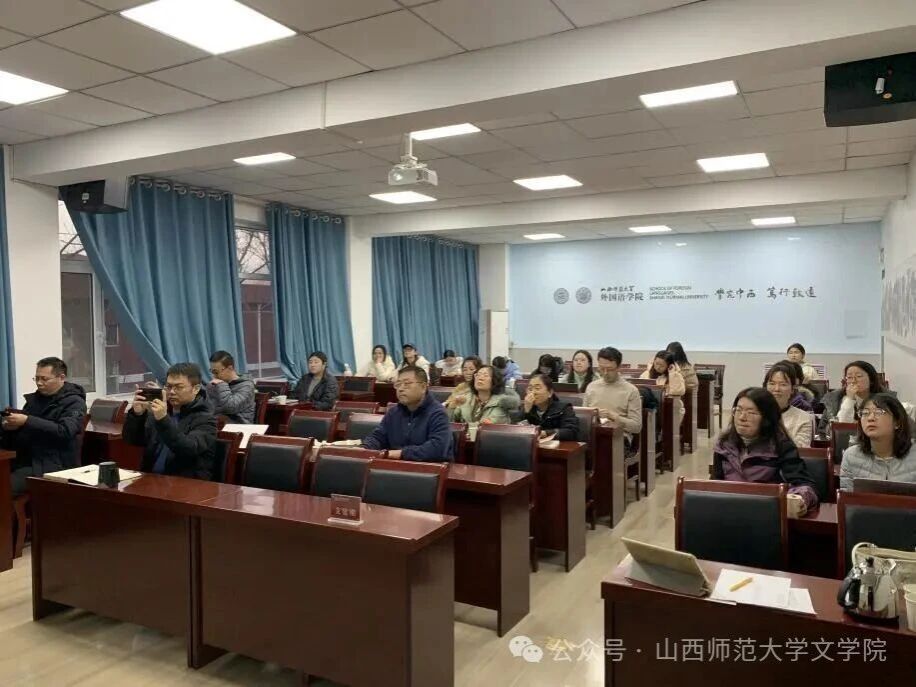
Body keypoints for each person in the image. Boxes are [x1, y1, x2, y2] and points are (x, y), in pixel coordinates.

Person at [712, 387, 818, 513]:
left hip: (766, 513)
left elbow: (804, 485)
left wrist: (800, 499)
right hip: (728, 511)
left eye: (751, 413)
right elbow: (715, 485)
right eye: (738, 410)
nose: (742, 417)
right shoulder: (723, 445)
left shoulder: (781, 447)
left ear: (766, 419)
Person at [0, 357, 86, 496]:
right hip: (26, 458)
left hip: (52, 464)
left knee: (3, 487)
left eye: (44, 379)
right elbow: (27, 428)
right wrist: (10, 428)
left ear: (61, 377)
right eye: (37, 378)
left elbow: (65, 431)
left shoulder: (74, 402)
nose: (39, 383)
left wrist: (27, 420)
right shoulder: (35, 400)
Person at [123, 362, 217, 480]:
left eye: (179, 387)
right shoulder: (161, 412)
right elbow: (133, 440)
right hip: (151, 479)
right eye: (168, 386)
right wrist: (138, 415)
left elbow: (187, 449)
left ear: (196, 389)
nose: (172, 392)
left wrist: (163, 419)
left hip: (186, 483)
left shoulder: (206, 419)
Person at [361, 366, 451, 461]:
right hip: (394, 466)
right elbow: (378, 437)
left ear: (423, 387)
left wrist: (401, 453)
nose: (400, 389)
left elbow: (437, 448)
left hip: (428, 468)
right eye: (398, 384)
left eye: (407, 384)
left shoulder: (438, 413)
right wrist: (365, 448)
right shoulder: (393, 412)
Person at [840, 393, 916, 490]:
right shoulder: (851, 456)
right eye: (865, 413)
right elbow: (847, 498)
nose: (870, 418)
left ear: (897, 422)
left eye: (879, 412)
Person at [583, 347, 642, 443]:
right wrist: (594, 414)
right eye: (602, 369)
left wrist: (613, 416)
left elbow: (636, 427)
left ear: (618, 367)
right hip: (593, 433)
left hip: (619, 437)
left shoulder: (631, 390)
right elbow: (583, 418)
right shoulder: (591, 387)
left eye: (610, 369)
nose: (605, 373)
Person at [818, 360, 885, 434]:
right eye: (849, 377)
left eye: (859, 376)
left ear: (871, 380)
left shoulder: (885, 399)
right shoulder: (834, 399)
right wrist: (850, 399)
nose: (853, 381)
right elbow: (839, 429)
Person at [763, 362, 813, 448]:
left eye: (783, 384)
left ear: (792, 389)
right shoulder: (755, 413)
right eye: (772, 384)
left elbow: (799, 450)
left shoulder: (803, 418)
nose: (776, 389)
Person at [449, 365, 520, 425]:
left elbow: (488, 426)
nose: (480, 378)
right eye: (478, 375)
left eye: (485, 375)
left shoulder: (502, 402)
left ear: (494, 380)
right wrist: (452, 407)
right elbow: (450, 422)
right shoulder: (466, 398)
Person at [522, 374, 579, 440]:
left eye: (537, 388)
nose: (533, 392)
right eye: (530, 389)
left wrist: (546, 433)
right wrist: (526, 411)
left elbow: (571, 431)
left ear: (550, 393)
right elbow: (515, 430)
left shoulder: (564, 408)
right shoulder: (526, 407)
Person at [207, 350, 255, 424]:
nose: (214, 376)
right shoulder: (217, 383)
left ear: (230, 368)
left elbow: (230, 408)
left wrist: (222, 385)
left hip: (239, 425)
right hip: (219, 423)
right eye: (212, 371)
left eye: (216, 372)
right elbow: (210, 408)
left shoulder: (247, 385)